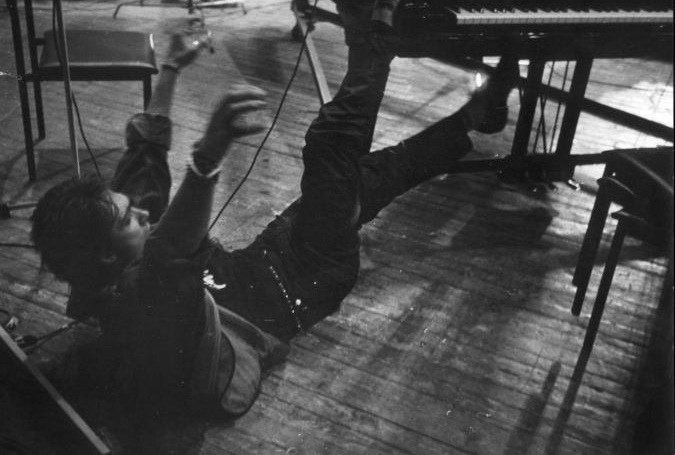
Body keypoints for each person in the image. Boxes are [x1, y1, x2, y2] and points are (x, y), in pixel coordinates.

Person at [30, 31, 514, 434]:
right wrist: (207, 158)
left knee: (371, 175)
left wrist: (173, 67)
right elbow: (168, 255)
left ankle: (478, 111)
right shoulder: (140, 300)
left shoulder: (110, 239)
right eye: (128, 218)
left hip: (272, 249)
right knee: (331, 146)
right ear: (105, 258)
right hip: (309, 277)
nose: (140, 212)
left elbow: (147, 145)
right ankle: (380, 29)